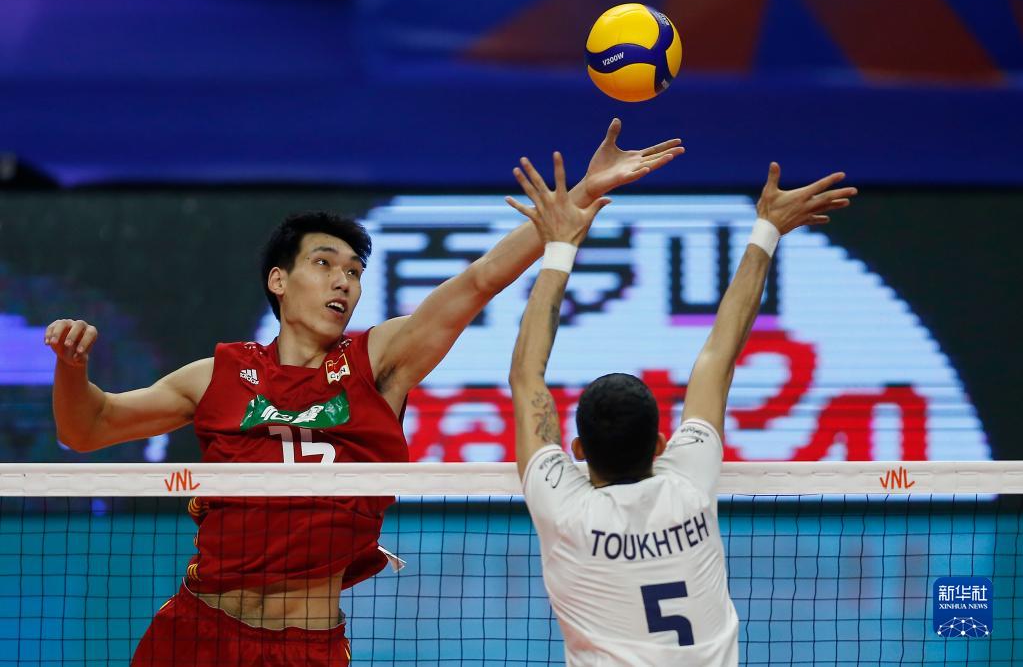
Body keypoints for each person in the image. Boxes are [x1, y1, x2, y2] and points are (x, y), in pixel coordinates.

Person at [42, 119, 683, 666]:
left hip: (305, 647)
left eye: (353, 271)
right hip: (197, 632)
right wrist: (72, 369)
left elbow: (480, 280)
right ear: (279, 281)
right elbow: (87, 428)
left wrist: (583, 194)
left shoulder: (376, 364)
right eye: (323, 264)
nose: (343, 282)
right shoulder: (216, 375)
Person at [506, 153, 857, 665]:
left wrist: (559, 244)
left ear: (577, 451)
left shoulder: (565, 512)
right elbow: (719, 356)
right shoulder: (688, 484)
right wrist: (768, 229)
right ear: (660, 444)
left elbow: (526, 376)